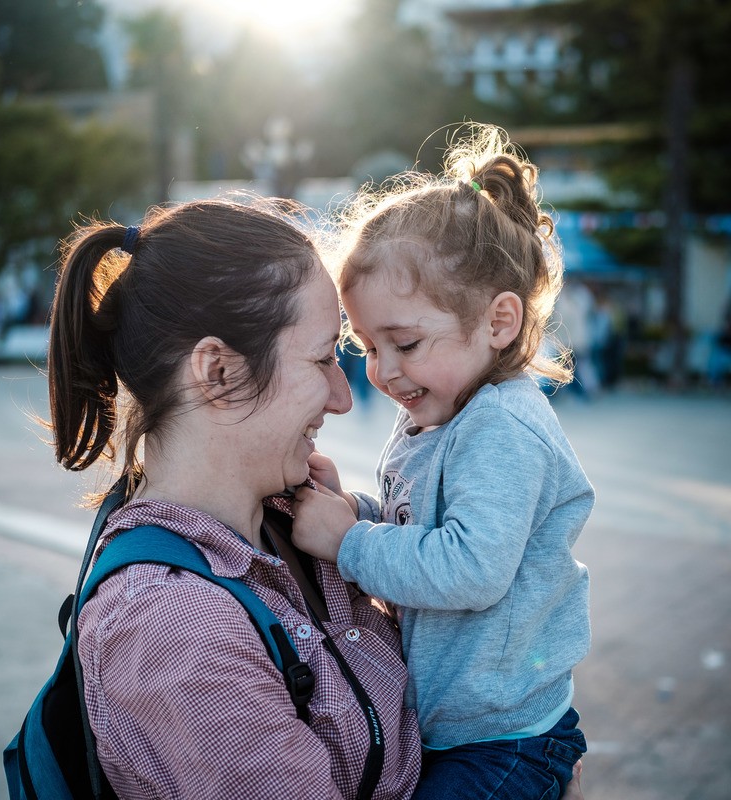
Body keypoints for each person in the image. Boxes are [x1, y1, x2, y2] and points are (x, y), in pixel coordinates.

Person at [46, 198, 422, 799]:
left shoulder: (296, 518)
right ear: (218, 372)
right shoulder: (172, 629)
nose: (342, 398)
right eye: (324, 358)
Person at [292, 125, 594, 800]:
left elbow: (468, 569)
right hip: (461, 730)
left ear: (498, 322)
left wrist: (348, 544)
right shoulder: (443, 414)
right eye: (367, 346)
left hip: (508, 742)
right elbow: (423, 527)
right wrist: (357, 511)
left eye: (404, 343)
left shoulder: (502, 428)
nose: (383, 371)